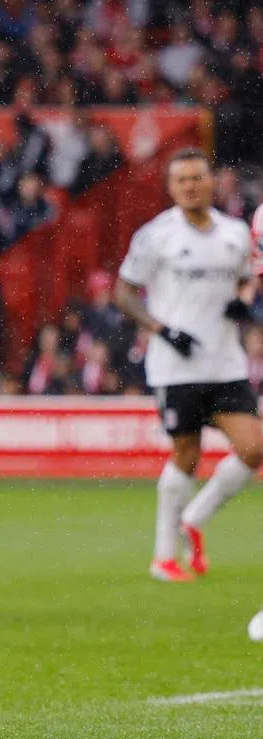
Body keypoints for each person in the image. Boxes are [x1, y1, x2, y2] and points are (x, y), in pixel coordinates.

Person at [114, 147, 261, 583]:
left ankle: (194, 517)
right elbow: (123, 292)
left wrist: (243, 300)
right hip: (175, 366)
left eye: (197, 178)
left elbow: (246, 276)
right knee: (187, 455)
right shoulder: (156, 235)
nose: (191, 186)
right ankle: (164, 556)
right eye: (182, 180)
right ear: (171, 187)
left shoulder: (235, 233)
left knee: (254, 447)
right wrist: (162, 330)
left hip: (226, 362)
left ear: (211, 181)